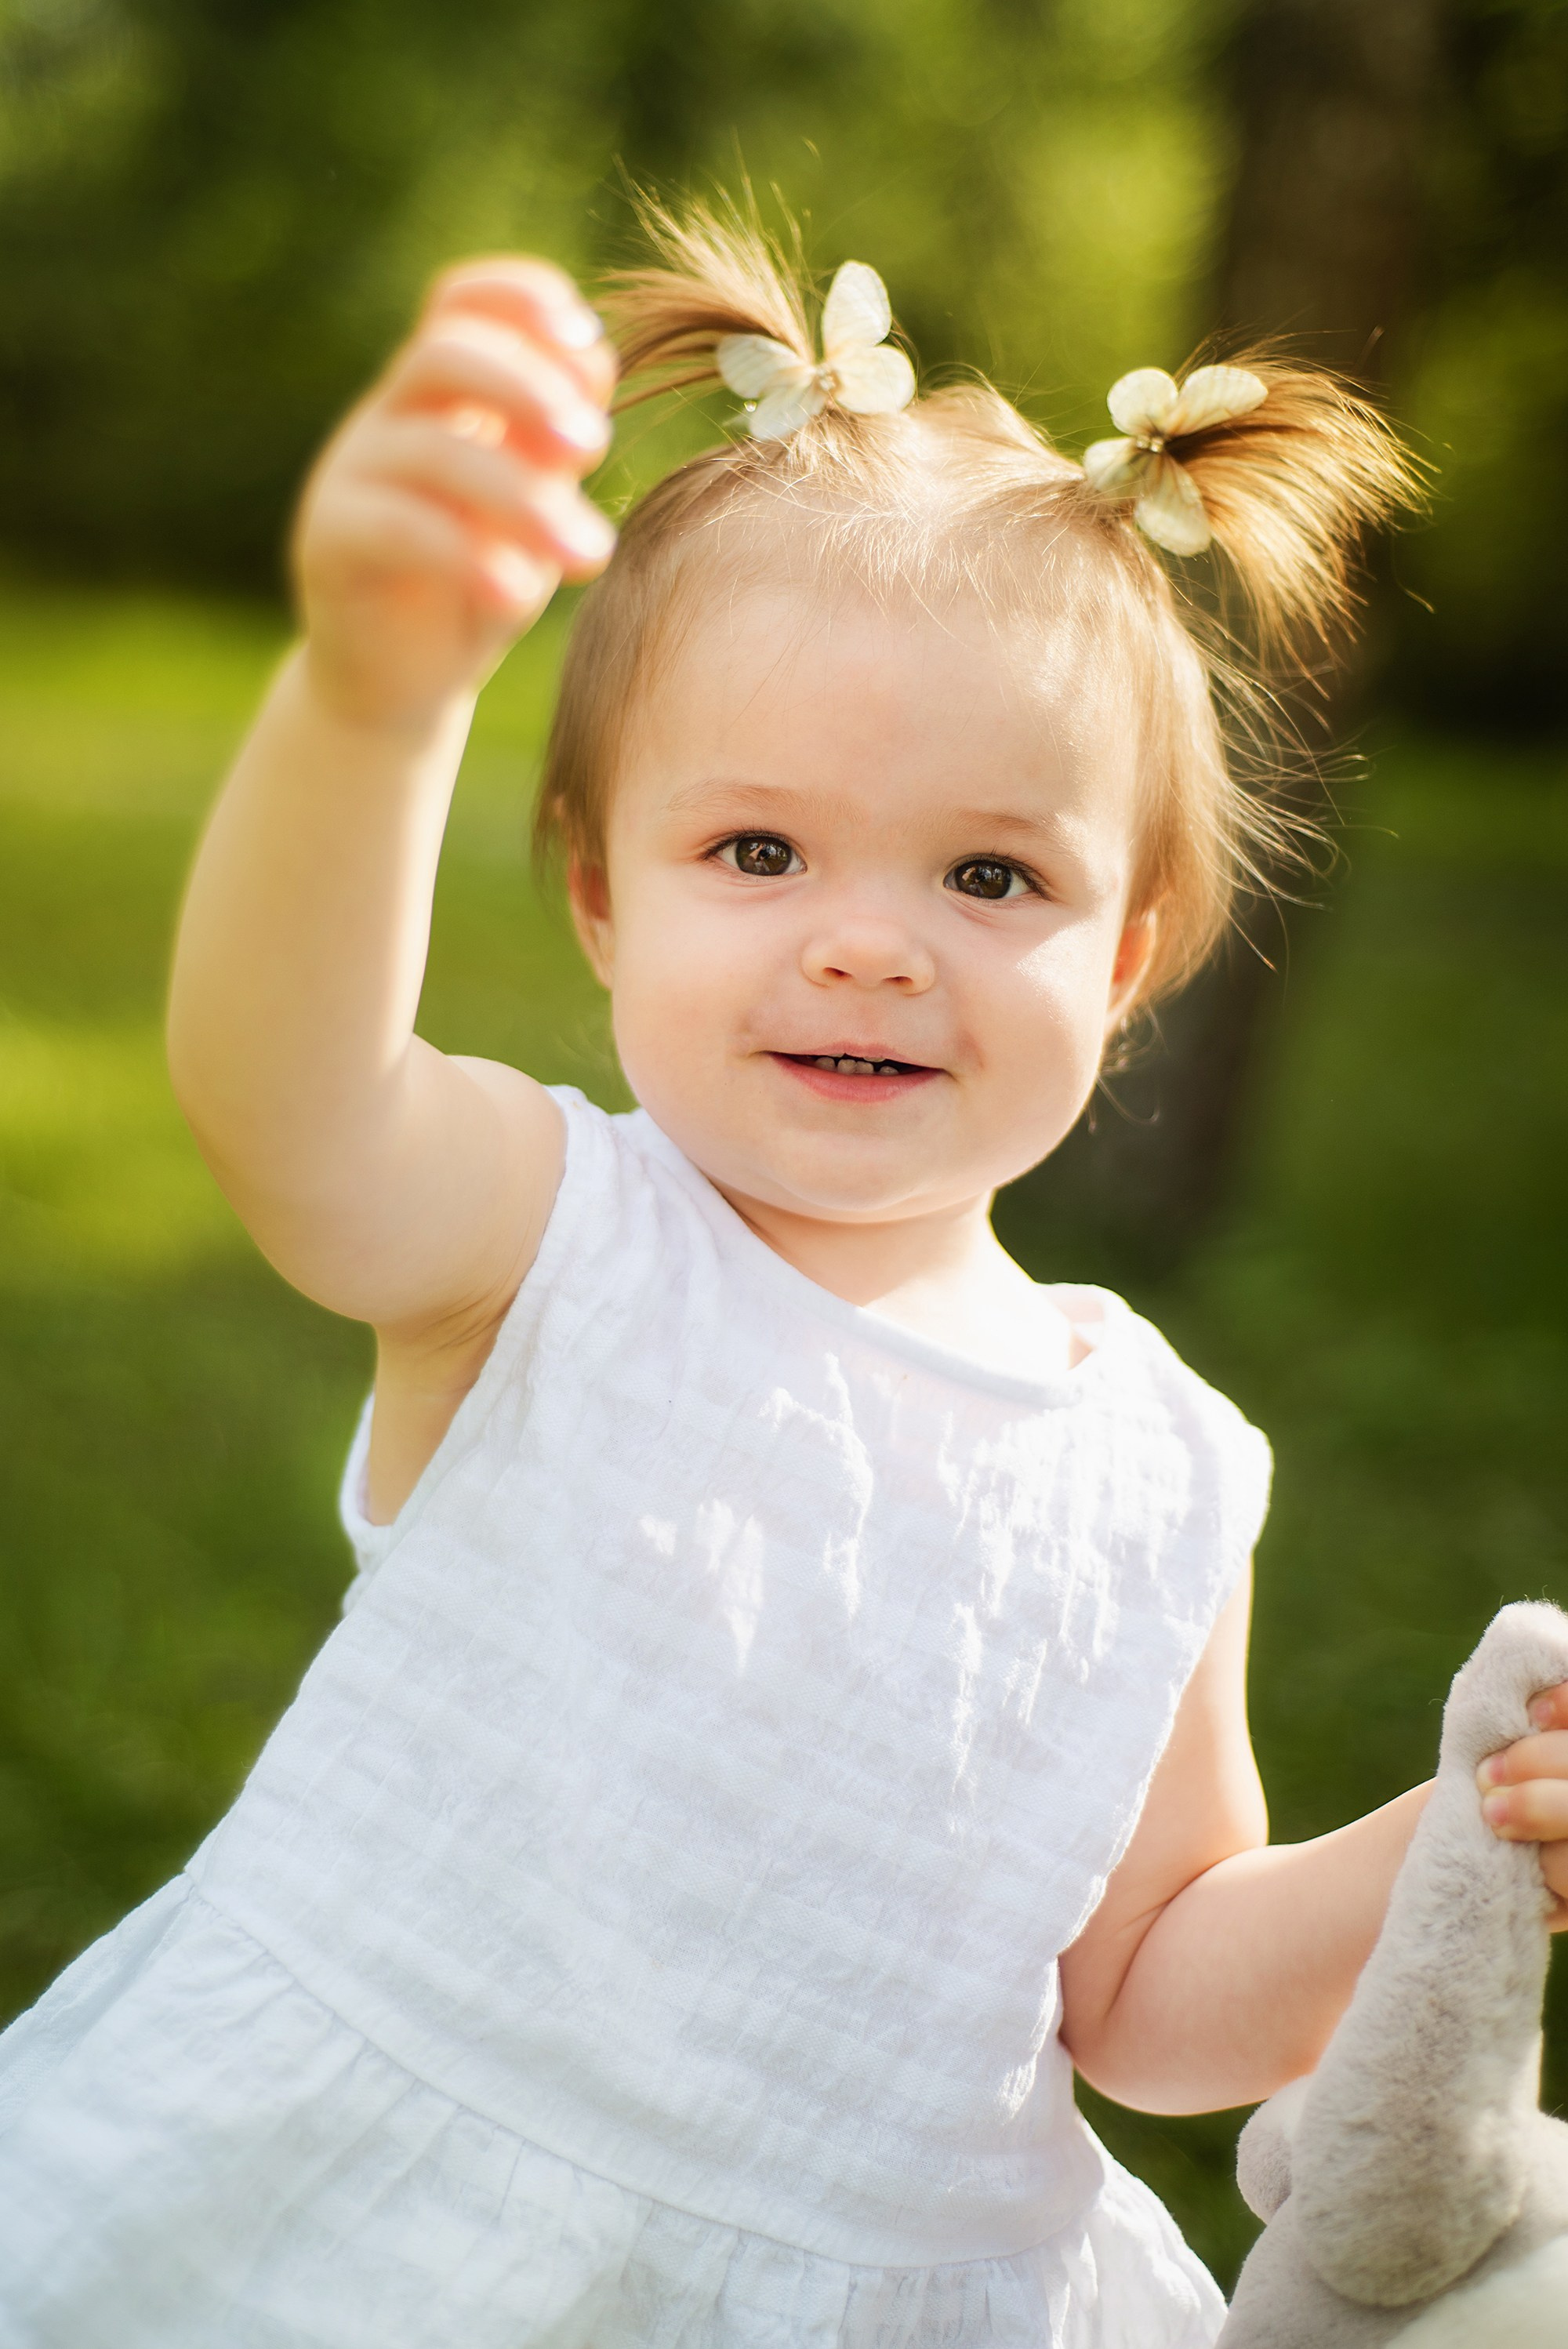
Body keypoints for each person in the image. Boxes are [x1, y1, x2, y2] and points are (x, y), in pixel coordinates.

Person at [2, 204, 1566, 2349]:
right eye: (759, 849)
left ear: (1122, 967)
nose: (868, 938)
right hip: (385, 2232)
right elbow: (294, 1110)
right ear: (602, 897)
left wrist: (1460, 1836)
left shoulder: (1164, 1465)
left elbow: (1148, 1991)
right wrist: (372, 703)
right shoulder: (553, 1240)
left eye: (990, 871)